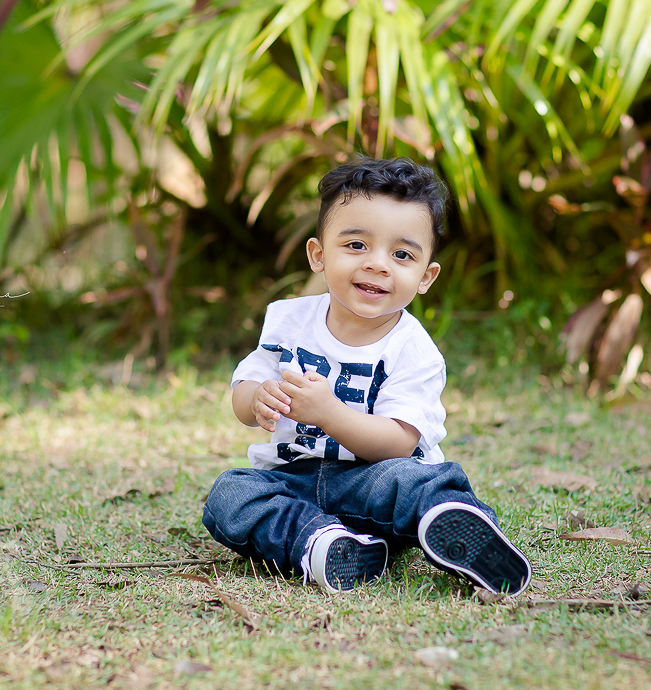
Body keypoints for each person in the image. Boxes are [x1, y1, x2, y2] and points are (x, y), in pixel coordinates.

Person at [201, 156, 532, 595]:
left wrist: (328, 413)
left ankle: (459, 527)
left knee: (414, 482)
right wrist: (257, 396)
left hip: (376, 483)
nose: (378, 264)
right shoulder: (289, 320)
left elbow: (398, 443)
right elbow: (244, 393)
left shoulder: (413, 350)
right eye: (357, 245)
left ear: (426, 276)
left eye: (402, 254)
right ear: (318, 255)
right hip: (295, 480)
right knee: (230, 493)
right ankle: (325, 544)